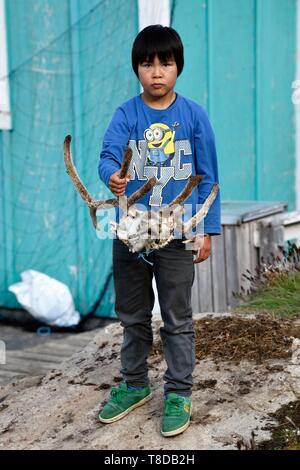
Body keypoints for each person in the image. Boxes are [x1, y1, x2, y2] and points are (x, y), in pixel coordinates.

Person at [98, 24, 221, 437]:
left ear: (177, 68)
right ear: (136, 68)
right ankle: (134, 385)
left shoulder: (193, 115)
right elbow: (109, 154)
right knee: (132, 315)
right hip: (131, 232)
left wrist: (206, 230)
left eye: (165, 63)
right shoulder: (125, 114)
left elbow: (208, 178)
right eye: (147, 63)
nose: (156, 72)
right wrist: (112, 176)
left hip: (176, 233)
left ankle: (179, 392)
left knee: (177, 316)